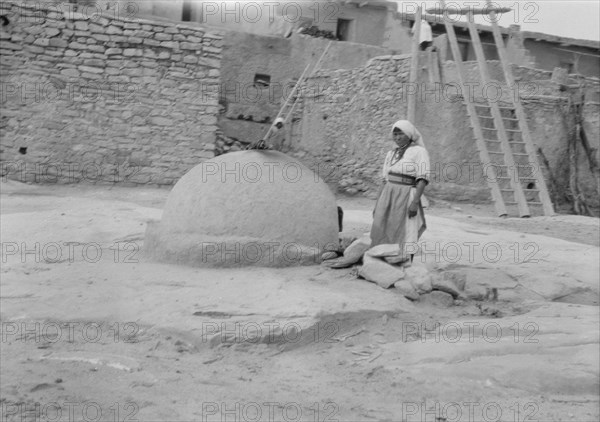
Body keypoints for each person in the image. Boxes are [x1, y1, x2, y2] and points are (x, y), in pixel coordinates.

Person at [367, 120, 430, 265]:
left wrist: (415, 203)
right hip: (388, 193)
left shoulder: (419, 152)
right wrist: (377, 204)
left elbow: (422, 178)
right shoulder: (391, 154)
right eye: (395, 134)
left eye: (401, 133)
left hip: (408, 194)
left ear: (409, 134)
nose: (397, 137)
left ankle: (406, 261)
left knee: (408, 228)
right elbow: (384, 179)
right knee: (383, 223)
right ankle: (384, 261)